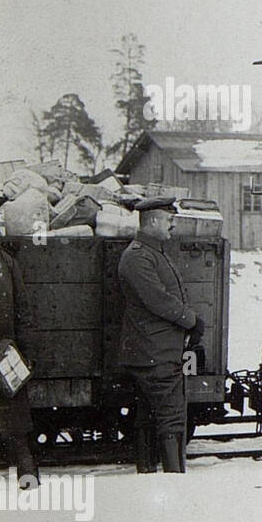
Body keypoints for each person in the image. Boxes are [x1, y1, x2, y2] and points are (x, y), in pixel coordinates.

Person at [117, 196, 201, 474]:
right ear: (152, 221)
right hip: (156, 352)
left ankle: (148, 474)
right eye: (169, 220)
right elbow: (158, 299)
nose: (172, 226)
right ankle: (174, 480)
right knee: (171, 418)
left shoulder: (151, 252)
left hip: (154, 350)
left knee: (149, 416)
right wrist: (191, 320)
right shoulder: (139, 257)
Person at [0, 200, 38, 487]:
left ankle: (28, 477)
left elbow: (23, 310)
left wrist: (25, 353)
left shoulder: (5, 261)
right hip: (2, 351)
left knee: (17, 424)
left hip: (4, 354)